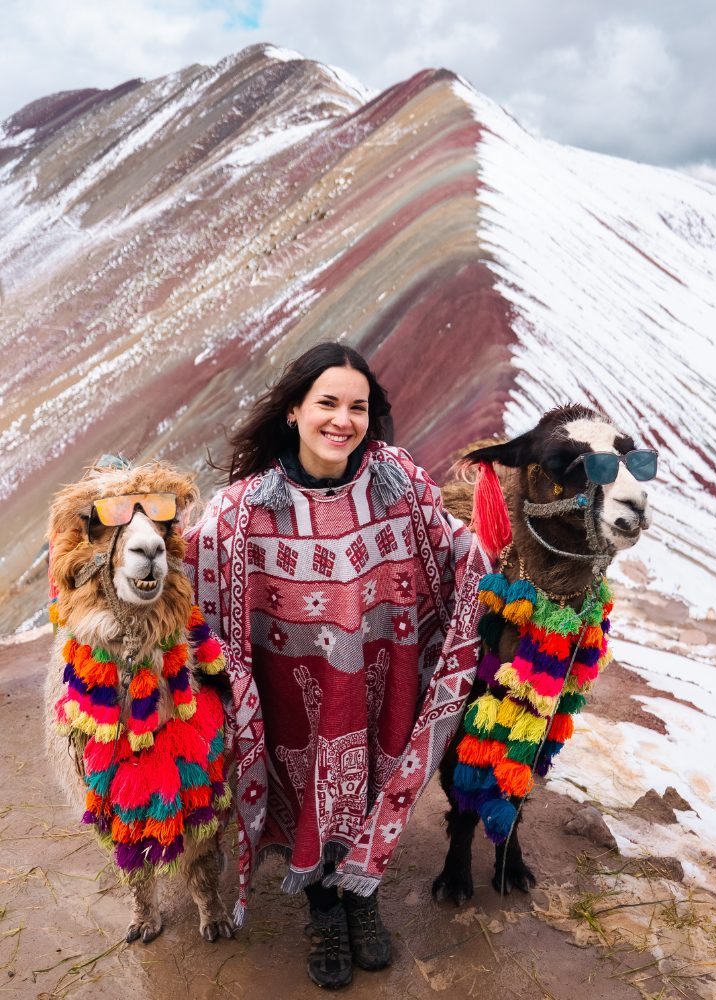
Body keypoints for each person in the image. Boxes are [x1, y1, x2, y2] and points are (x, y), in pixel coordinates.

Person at [183, 342, 488, 988]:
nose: (342, 420)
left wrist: (502, 556)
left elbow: (449, 546)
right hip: (294, 701)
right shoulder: (244, 512)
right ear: (294, 410)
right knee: (305, 797)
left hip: (381, 686)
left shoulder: (398, 481)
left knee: (374, 782)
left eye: (358, 406)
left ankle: (361, 895)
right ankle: (322, 908)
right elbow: (194, 571)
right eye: (327, 403)